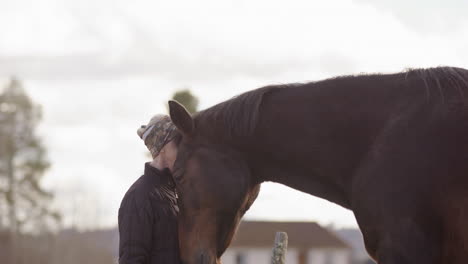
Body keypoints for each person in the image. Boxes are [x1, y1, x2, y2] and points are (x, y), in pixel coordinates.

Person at [118, 114, 181, 264]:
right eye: (177, 143)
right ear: (162, 148)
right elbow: (132, 260)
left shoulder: (174, 194)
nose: (183, 149)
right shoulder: (138, 196)